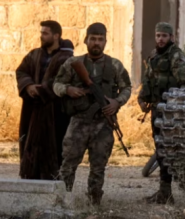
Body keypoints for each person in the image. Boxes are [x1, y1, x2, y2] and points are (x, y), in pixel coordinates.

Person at [53, 23, 131, 205]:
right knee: (68, 165)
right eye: (93, 39)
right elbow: (56, 84)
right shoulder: (73, 63)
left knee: (98, 167)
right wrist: (68, 89)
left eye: (100, 39)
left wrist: (117, 102)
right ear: (86, 40)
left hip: (103, 124)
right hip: (78, 122)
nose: (96, 43)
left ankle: (94, 203)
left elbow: (127, 87)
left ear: (105, 42)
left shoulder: (115, 65)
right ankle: (61, 201)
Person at [138, 22, 185, 204]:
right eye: (158, 35)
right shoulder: (154, 55)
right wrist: (142, 99)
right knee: (160, 149)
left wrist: (176, 107)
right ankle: (164, 192)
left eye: (164, 36)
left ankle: (167, 192)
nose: (160, 39)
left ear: (171, 37)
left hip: (170, 111)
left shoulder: (176, 56)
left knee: (168, 151)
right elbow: (148, 79)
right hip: (156, 109)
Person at [16, 21, 74, 180]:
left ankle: (54, 179)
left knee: (55, 145)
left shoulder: (67, 59)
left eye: (45, 33)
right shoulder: (34, 55)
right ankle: (30, 177)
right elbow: (21, 71)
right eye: (41, 32)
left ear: (56, 36)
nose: (41, 36)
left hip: (55, 111)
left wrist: (41, 90)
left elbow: (64, 79)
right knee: (29, 142)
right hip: (32, 109)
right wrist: (28, 86)